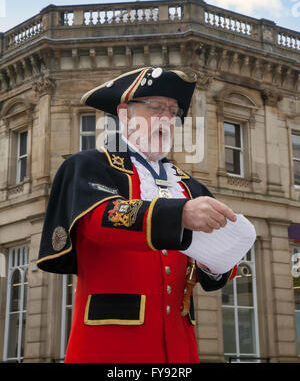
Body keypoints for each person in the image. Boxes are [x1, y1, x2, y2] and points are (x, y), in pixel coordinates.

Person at [37, 67, 237, 363]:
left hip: (180, 348)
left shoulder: (191, 186)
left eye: (173, 111)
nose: (167, 119)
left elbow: (217, 265)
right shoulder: (90, 165)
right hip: (111, 343)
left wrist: (217, 261)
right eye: (156, 108)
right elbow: (100, 220)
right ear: (125, 114)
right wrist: (180, 214)